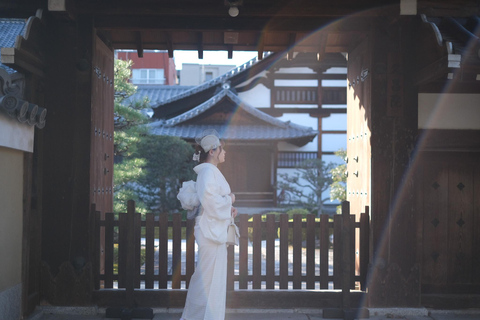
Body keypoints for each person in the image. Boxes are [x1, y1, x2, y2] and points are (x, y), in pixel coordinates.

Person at [180, 129, 238, 320]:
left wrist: (228, 209)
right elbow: (211, 202)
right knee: (205, 279)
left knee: (213, 279)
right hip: (210, 231)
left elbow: (212, 202)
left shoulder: (210, 172)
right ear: (212, 151)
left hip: (213, 229)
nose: (224, 152)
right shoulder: (207, 172)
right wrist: (229, 199)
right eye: (221, 149)